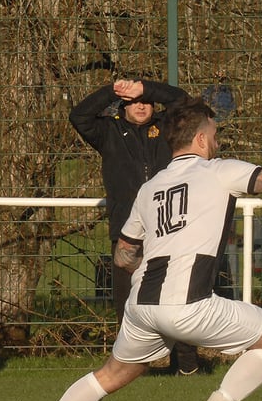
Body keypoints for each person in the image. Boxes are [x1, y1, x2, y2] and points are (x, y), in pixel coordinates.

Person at [12, 97, 262, 401]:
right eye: (214, 134)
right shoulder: (219, 169)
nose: (216, 142)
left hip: (141, 307)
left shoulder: (150, 188)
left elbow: (124, 255)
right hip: (188, 306)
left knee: (111, 374)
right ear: (201, 139)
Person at [70, 78, 205, 375]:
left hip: (170, 230)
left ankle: (187, 367)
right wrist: (112, 90)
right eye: (132, 101)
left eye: (144, 99)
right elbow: (78, 115)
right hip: (126, 232)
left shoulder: (168, 128)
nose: (141, 105)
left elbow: (183, 100)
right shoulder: (108, 131)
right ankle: (130, 368)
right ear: (121, 106)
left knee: (178, 297)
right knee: (127, 303)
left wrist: (145, 87)